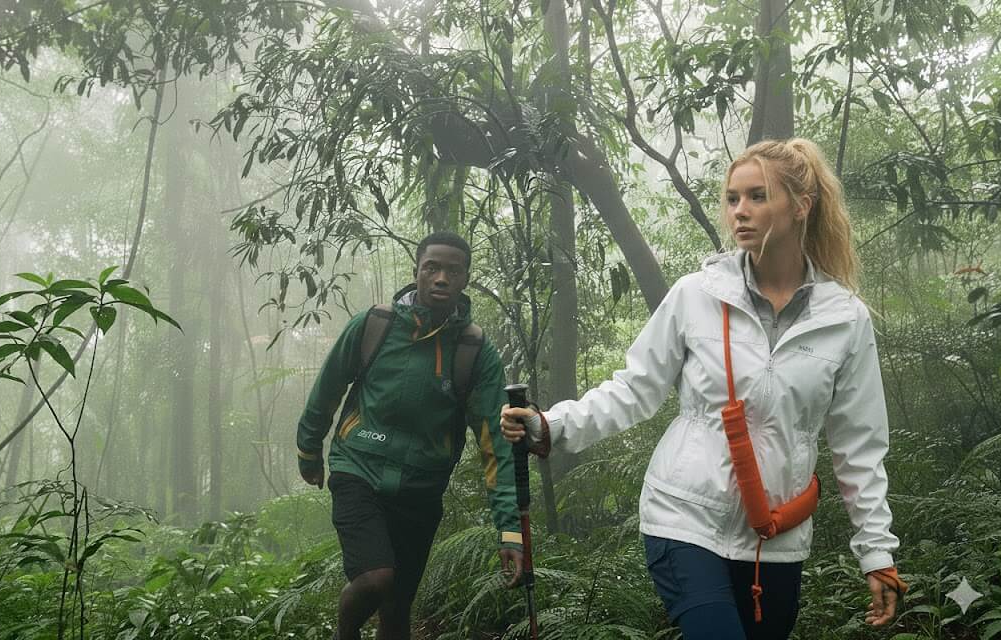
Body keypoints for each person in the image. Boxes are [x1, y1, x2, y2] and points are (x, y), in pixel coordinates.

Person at [501, 139, 907, 640]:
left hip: (775, 536)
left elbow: (859, 447)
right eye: (733, 198)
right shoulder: (697, 295)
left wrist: (877, 554)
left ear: (801, 206)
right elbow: (635, 388)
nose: (740, 211)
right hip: (685, 517)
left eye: (758, 196)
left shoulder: (845, 318)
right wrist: (553, 426)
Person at [297, 231, 523, 640]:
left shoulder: (474, 350)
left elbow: (495, 444)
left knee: (398, 609)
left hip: (421, 487)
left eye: (452, 271)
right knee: (376, 578)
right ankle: (344, 633)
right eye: (431, 268)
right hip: (358, 469)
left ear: (465, 279)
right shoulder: (375, 325)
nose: (440, 278)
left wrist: (509, 530)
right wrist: (308, 450)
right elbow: (329, 386)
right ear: (416, 272)